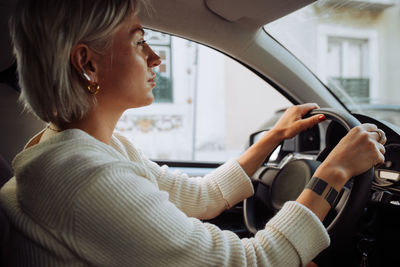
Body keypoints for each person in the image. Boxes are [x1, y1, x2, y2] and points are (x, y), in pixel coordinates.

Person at [0, 0, 386, 266]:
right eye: (139, 41)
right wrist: (333, 173)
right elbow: (251, 262)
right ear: (87, 64)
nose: (155, 56)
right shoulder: (81, 176)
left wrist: (272, 139)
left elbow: (201, 196)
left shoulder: (84, 150)